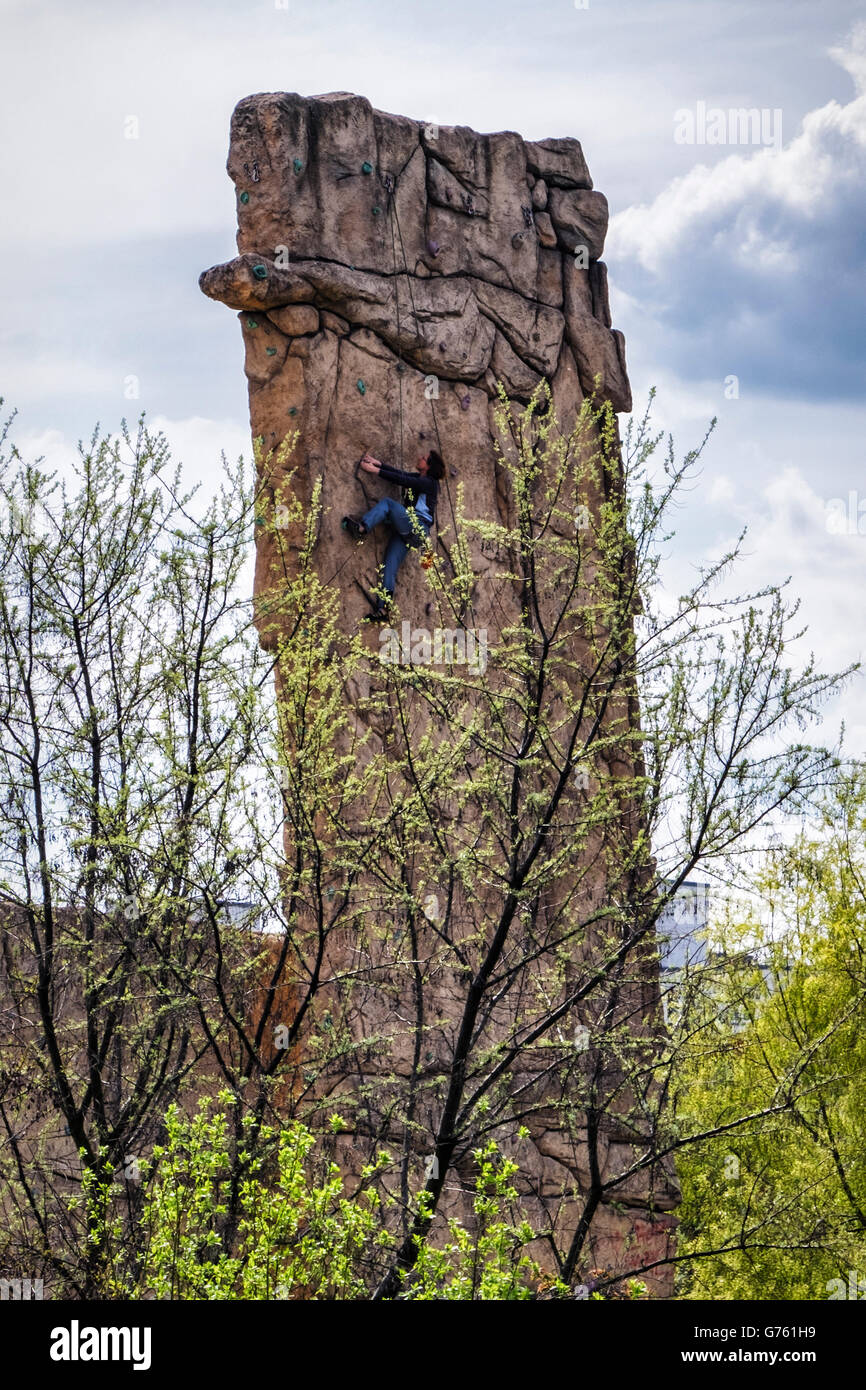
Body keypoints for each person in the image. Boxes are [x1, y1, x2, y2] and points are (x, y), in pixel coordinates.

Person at [342, 448, 445, 620]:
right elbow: (400, 474)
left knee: (389, 504)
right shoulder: (420, 479)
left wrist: (375, 471)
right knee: (388, 566)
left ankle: (362, 528)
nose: (419, 457)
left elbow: (401, 479)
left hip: (416, 525)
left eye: (424, 458)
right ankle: (384, 610)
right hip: (412, 533)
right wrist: (379, 464)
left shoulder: (430, 483)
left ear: (428, 466)